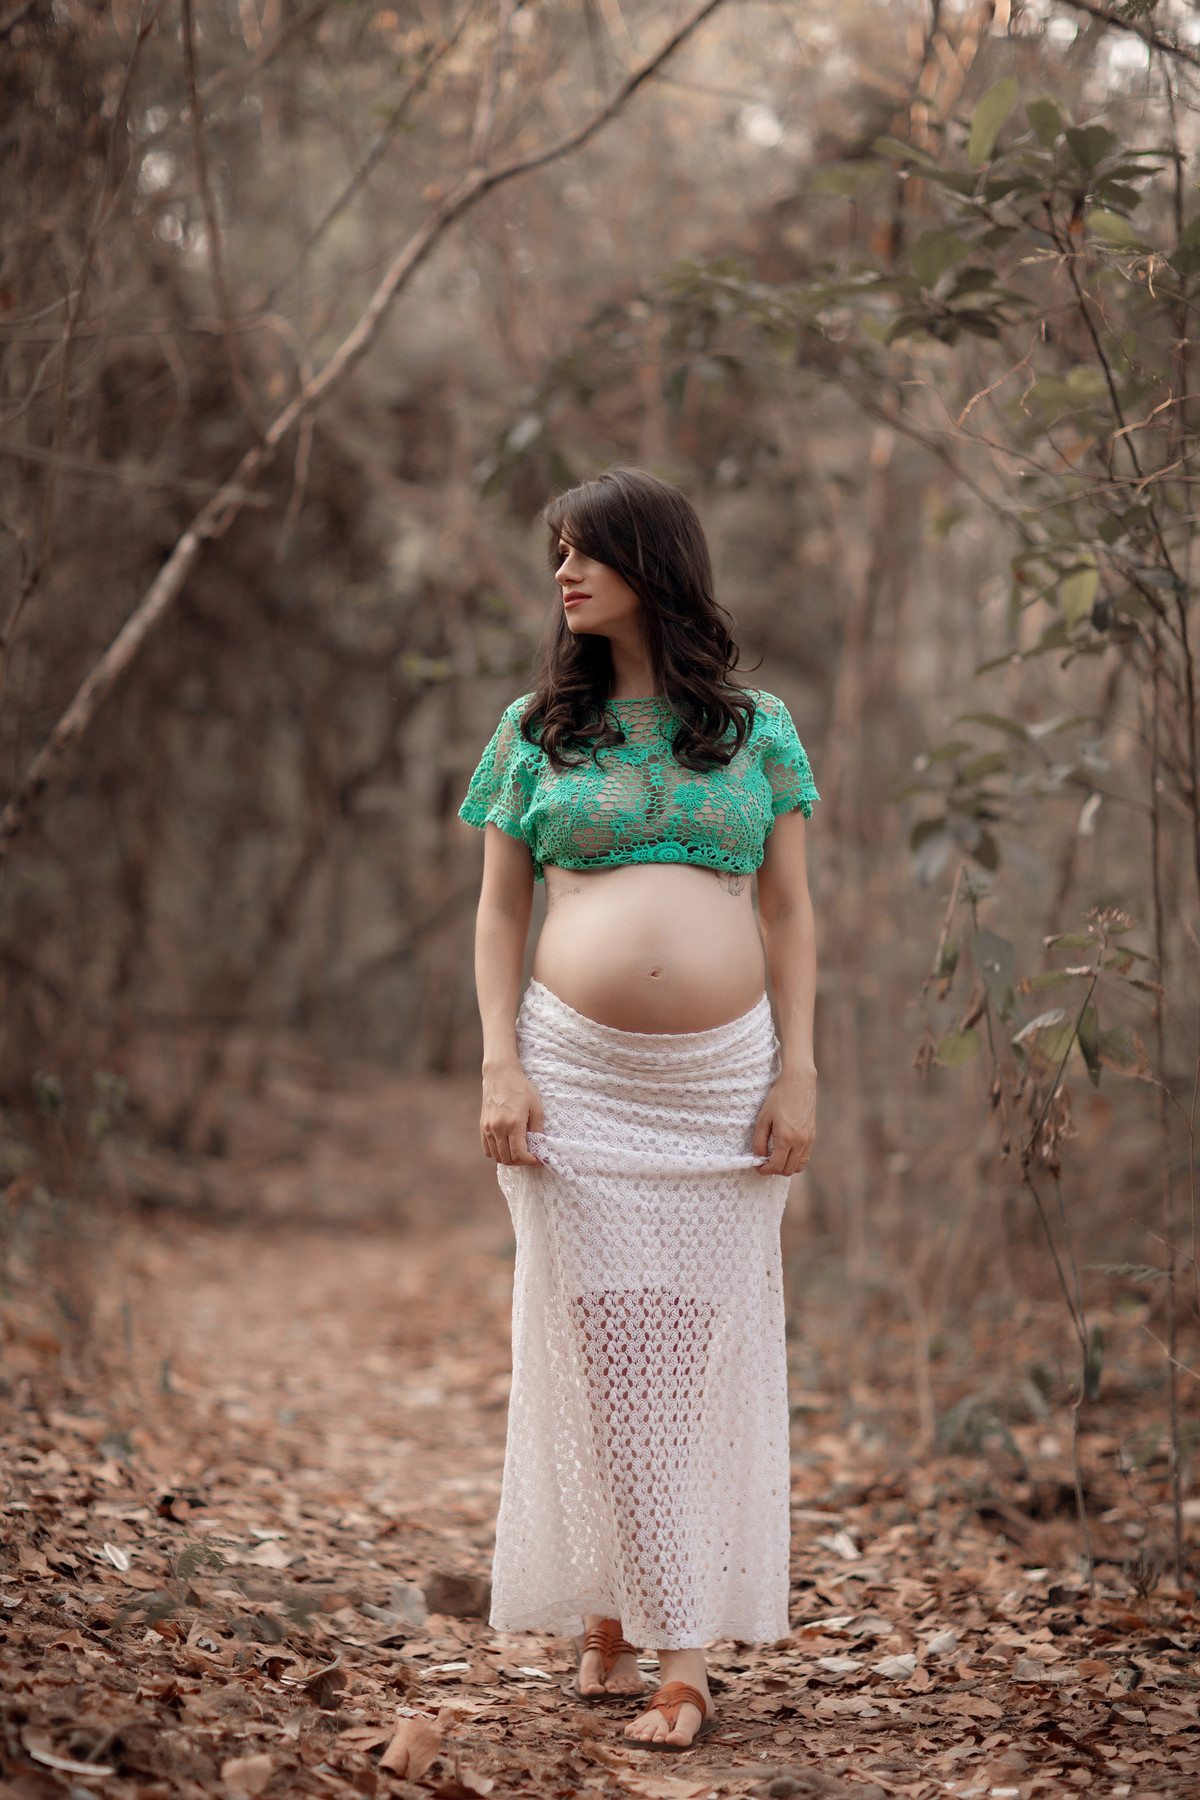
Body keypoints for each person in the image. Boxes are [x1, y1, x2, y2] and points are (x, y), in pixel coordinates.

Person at [458, 467, 818, 1752]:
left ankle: (627, 1608)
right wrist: (500, 1063)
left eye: (588, 551)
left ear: (652, 563)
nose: (563, 573)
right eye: (557, 552)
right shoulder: (534, 728)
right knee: (613, 1352)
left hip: (722, 1084)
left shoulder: (757, 728)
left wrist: (802, 1066)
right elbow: (502, 911)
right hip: (581, 1079)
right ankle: (680, 1654)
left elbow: (789, 913)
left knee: (700, 1347)